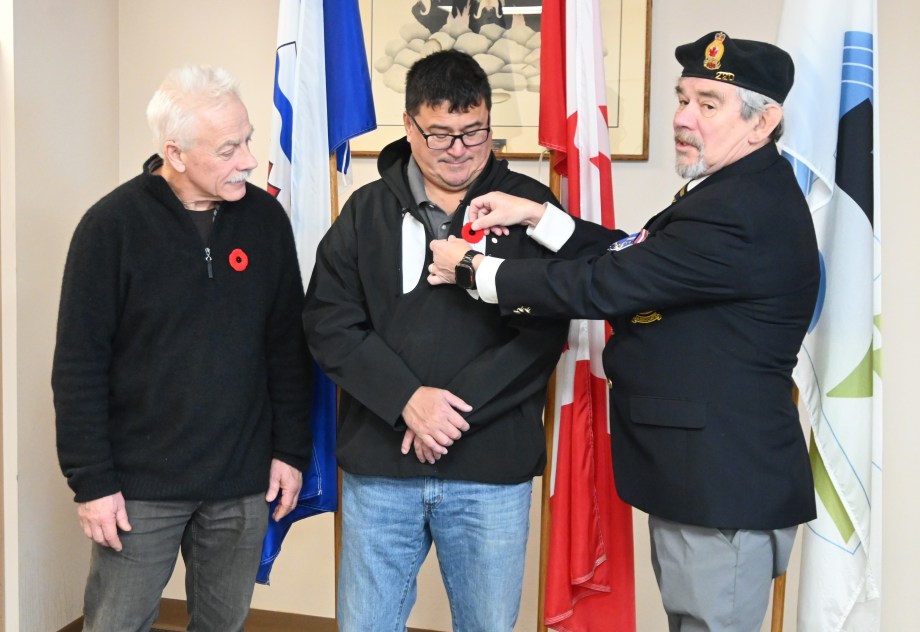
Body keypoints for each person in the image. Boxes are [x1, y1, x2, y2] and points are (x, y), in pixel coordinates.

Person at [430, 31, 820, 632]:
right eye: (682, 99)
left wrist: (477, 272)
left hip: (723, 487)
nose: (683, 118)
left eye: (708, 103)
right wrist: (537, 216)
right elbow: (634, 256)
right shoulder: (732, 190)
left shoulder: (739, 209)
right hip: (705, 479)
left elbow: (608, 284)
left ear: (762, 122)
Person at [302, 49, 568, 632]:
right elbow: (329, 321)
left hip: (490, 469)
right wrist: (408, 401)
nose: (459, 149)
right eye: (440, 134)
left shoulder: (529, 208)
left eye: (474, 132)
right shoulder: (364, 211)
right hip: (381, 466)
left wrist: (446, 414)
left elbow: (544, 332)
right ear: (408, 125)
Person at [52, 65, 313, 631]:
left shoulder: (265, 221)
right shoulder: (110, 227)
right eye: (228, 149)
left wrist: (291, 451)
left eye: (247, 140)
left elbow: (287, 349)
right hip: (137, 487)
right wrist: (92, 483)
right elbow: (78, 367)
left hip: (241, 482)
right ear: (175, 153)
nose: (248, 159)